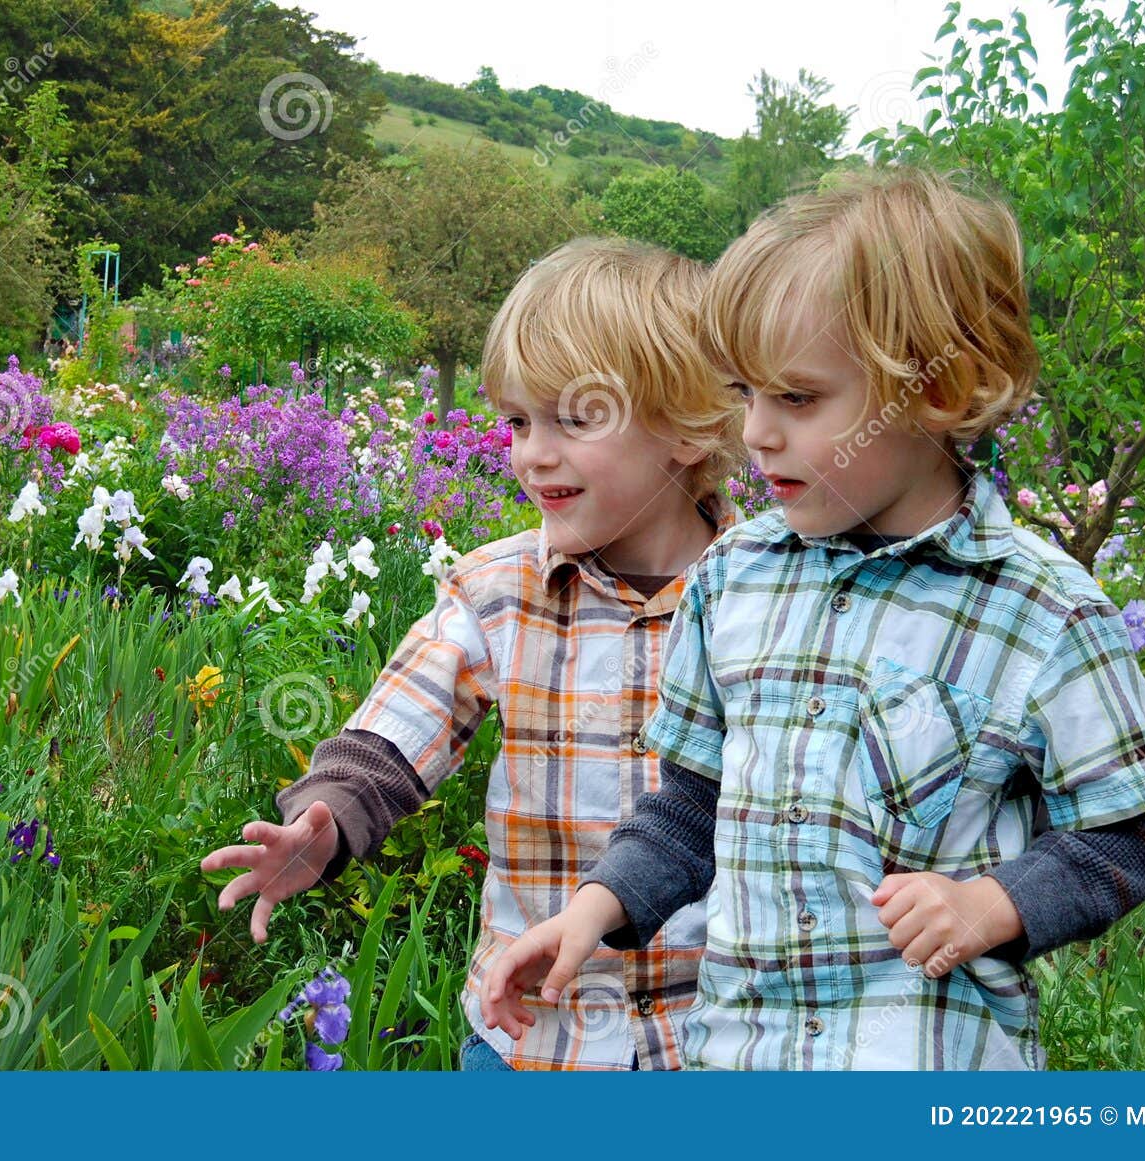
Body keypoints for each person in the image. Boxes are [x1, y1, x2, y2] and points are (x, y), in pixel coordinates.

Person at [482, 169, 1145, 1070]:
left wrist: (995, 903)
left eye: (798, 398)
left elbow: (1141, 825)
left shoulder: (1040, 613)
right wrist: (593, 911)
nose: (755, 433)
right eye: (746, 393)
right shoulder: (734, 583)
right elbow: (692, 808)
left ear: (941, 389)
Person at [201, 236, 745, 1069]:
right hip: (531, 1036)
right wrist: (328, 818)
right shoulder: (495, 591)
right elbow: (397, 728)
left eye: (575, 417)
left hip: (718, 1039)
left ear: (684, 426)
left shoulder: (768, 598)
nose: (533, 452)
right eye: (520, 420)